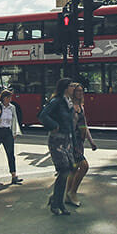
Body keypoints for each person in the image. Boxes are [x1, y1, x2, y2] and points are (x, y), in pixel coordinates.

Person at [38, 78, 76, 215]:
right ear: (65, 88)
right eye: (71, 86)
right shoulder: (56, 101)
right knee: (64, 170)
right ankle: (57, 202)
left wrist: (75, 143)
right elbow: (42, 115)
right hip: (57, 140)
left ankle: (57, 201)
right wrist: (54, 126)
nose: (74, 88)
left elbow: (71, 124)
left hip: (67, 140)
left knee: (68, 170)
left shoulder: (68, 102)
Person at [65, 83, 97, 206]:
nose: (80, 93)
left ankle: (68, 195)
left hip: (80, 141)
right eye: (77, 91)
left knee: (73, 169)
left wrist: (91, 141)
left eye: (81, 91)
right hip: (72, 141)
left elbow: (84, 125)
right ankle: (73, 192)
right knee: (84, 166)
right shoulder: (70, 107)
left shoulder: (81, 107)